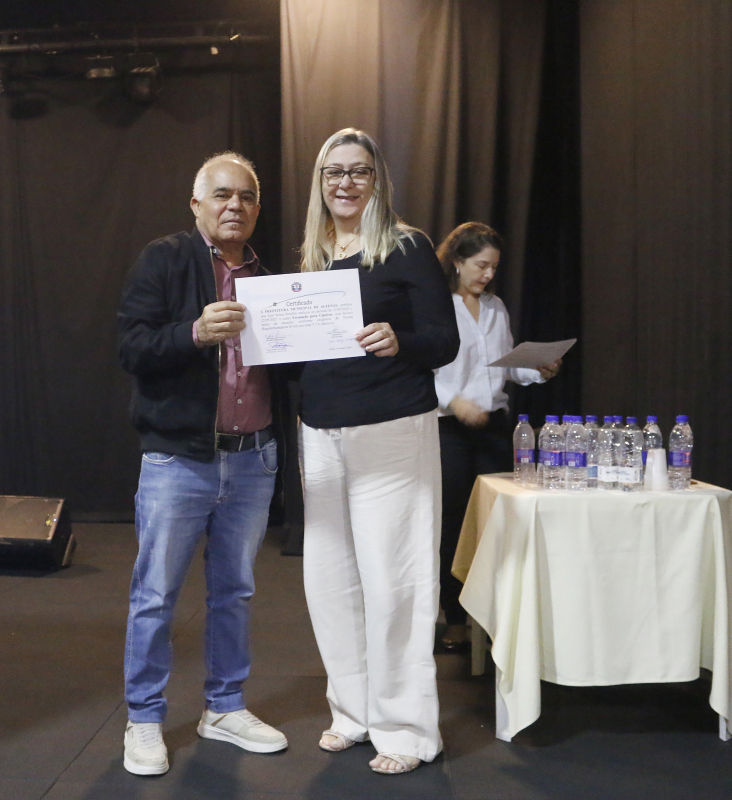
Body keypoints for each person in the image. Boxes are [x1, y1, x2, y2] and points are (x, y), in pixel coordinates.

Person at [116, 152, 289, 776]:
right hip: (178, 460)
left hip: (253, 458)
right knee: (155, 594)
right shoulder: (164, 259)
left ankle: (224, 707)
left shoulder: (272, 278)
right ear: (196, 205)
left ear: (257, 208)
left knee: (235, 592)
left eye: (246, 196)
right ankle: (143, 718)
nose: (234, 205)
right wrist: (193, 332)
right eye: (221, 195)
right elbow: (131, 346)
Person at [297, 128, 460, 775]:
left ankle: (409, 730)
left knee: (395, 581)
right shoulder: (312, 257)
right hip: (320, 432)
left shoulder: (406, 246)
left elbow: (444, 341)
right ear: (320, 182)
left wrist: (401, 340)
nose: (345, 182)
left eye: (358, 171)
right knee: (329, 581)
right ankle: (353, 713)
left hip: (391, 429)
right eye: (333, 172)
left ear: (377, 180)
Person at [433, 222, 560, 652]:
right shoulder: (437, 305)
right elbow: (418, 369)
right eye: (481, 265)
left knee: (495, 523)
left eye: (494, 267)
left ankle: (491, 618)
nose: (488, 275)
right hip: (448, 429)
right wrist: (454, 401)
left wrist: (538, 370)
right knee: (454, 524)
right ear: (457, 261)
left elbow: (505, 366)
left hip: (494, 427)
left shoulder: (495, 307)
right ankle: (455, 617)